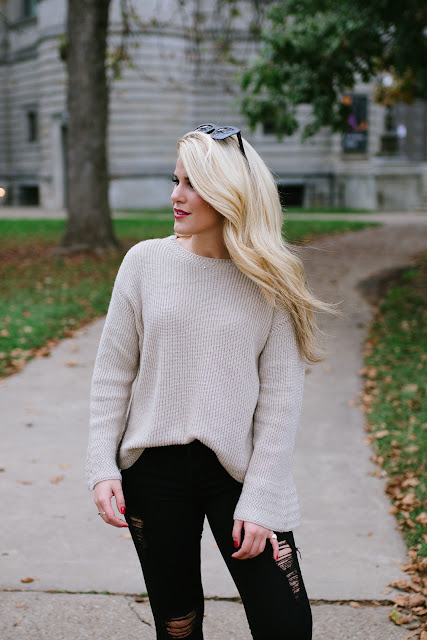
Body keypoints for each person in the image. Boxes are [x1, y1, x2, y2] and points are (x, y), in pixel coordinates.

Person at [87, 124, 330, 640]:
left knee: (286, 625)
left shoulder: (272, 278)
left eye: (192, 183)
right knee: (178, 625)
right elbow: (113, 372)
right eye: (175, 180)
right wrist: (101, 465)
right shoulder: (144, 263)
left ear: (230, 192)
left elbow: (281, 400)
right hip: (153, 472)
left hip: (238, 474)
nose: (176, 196)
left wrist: (261, 498)